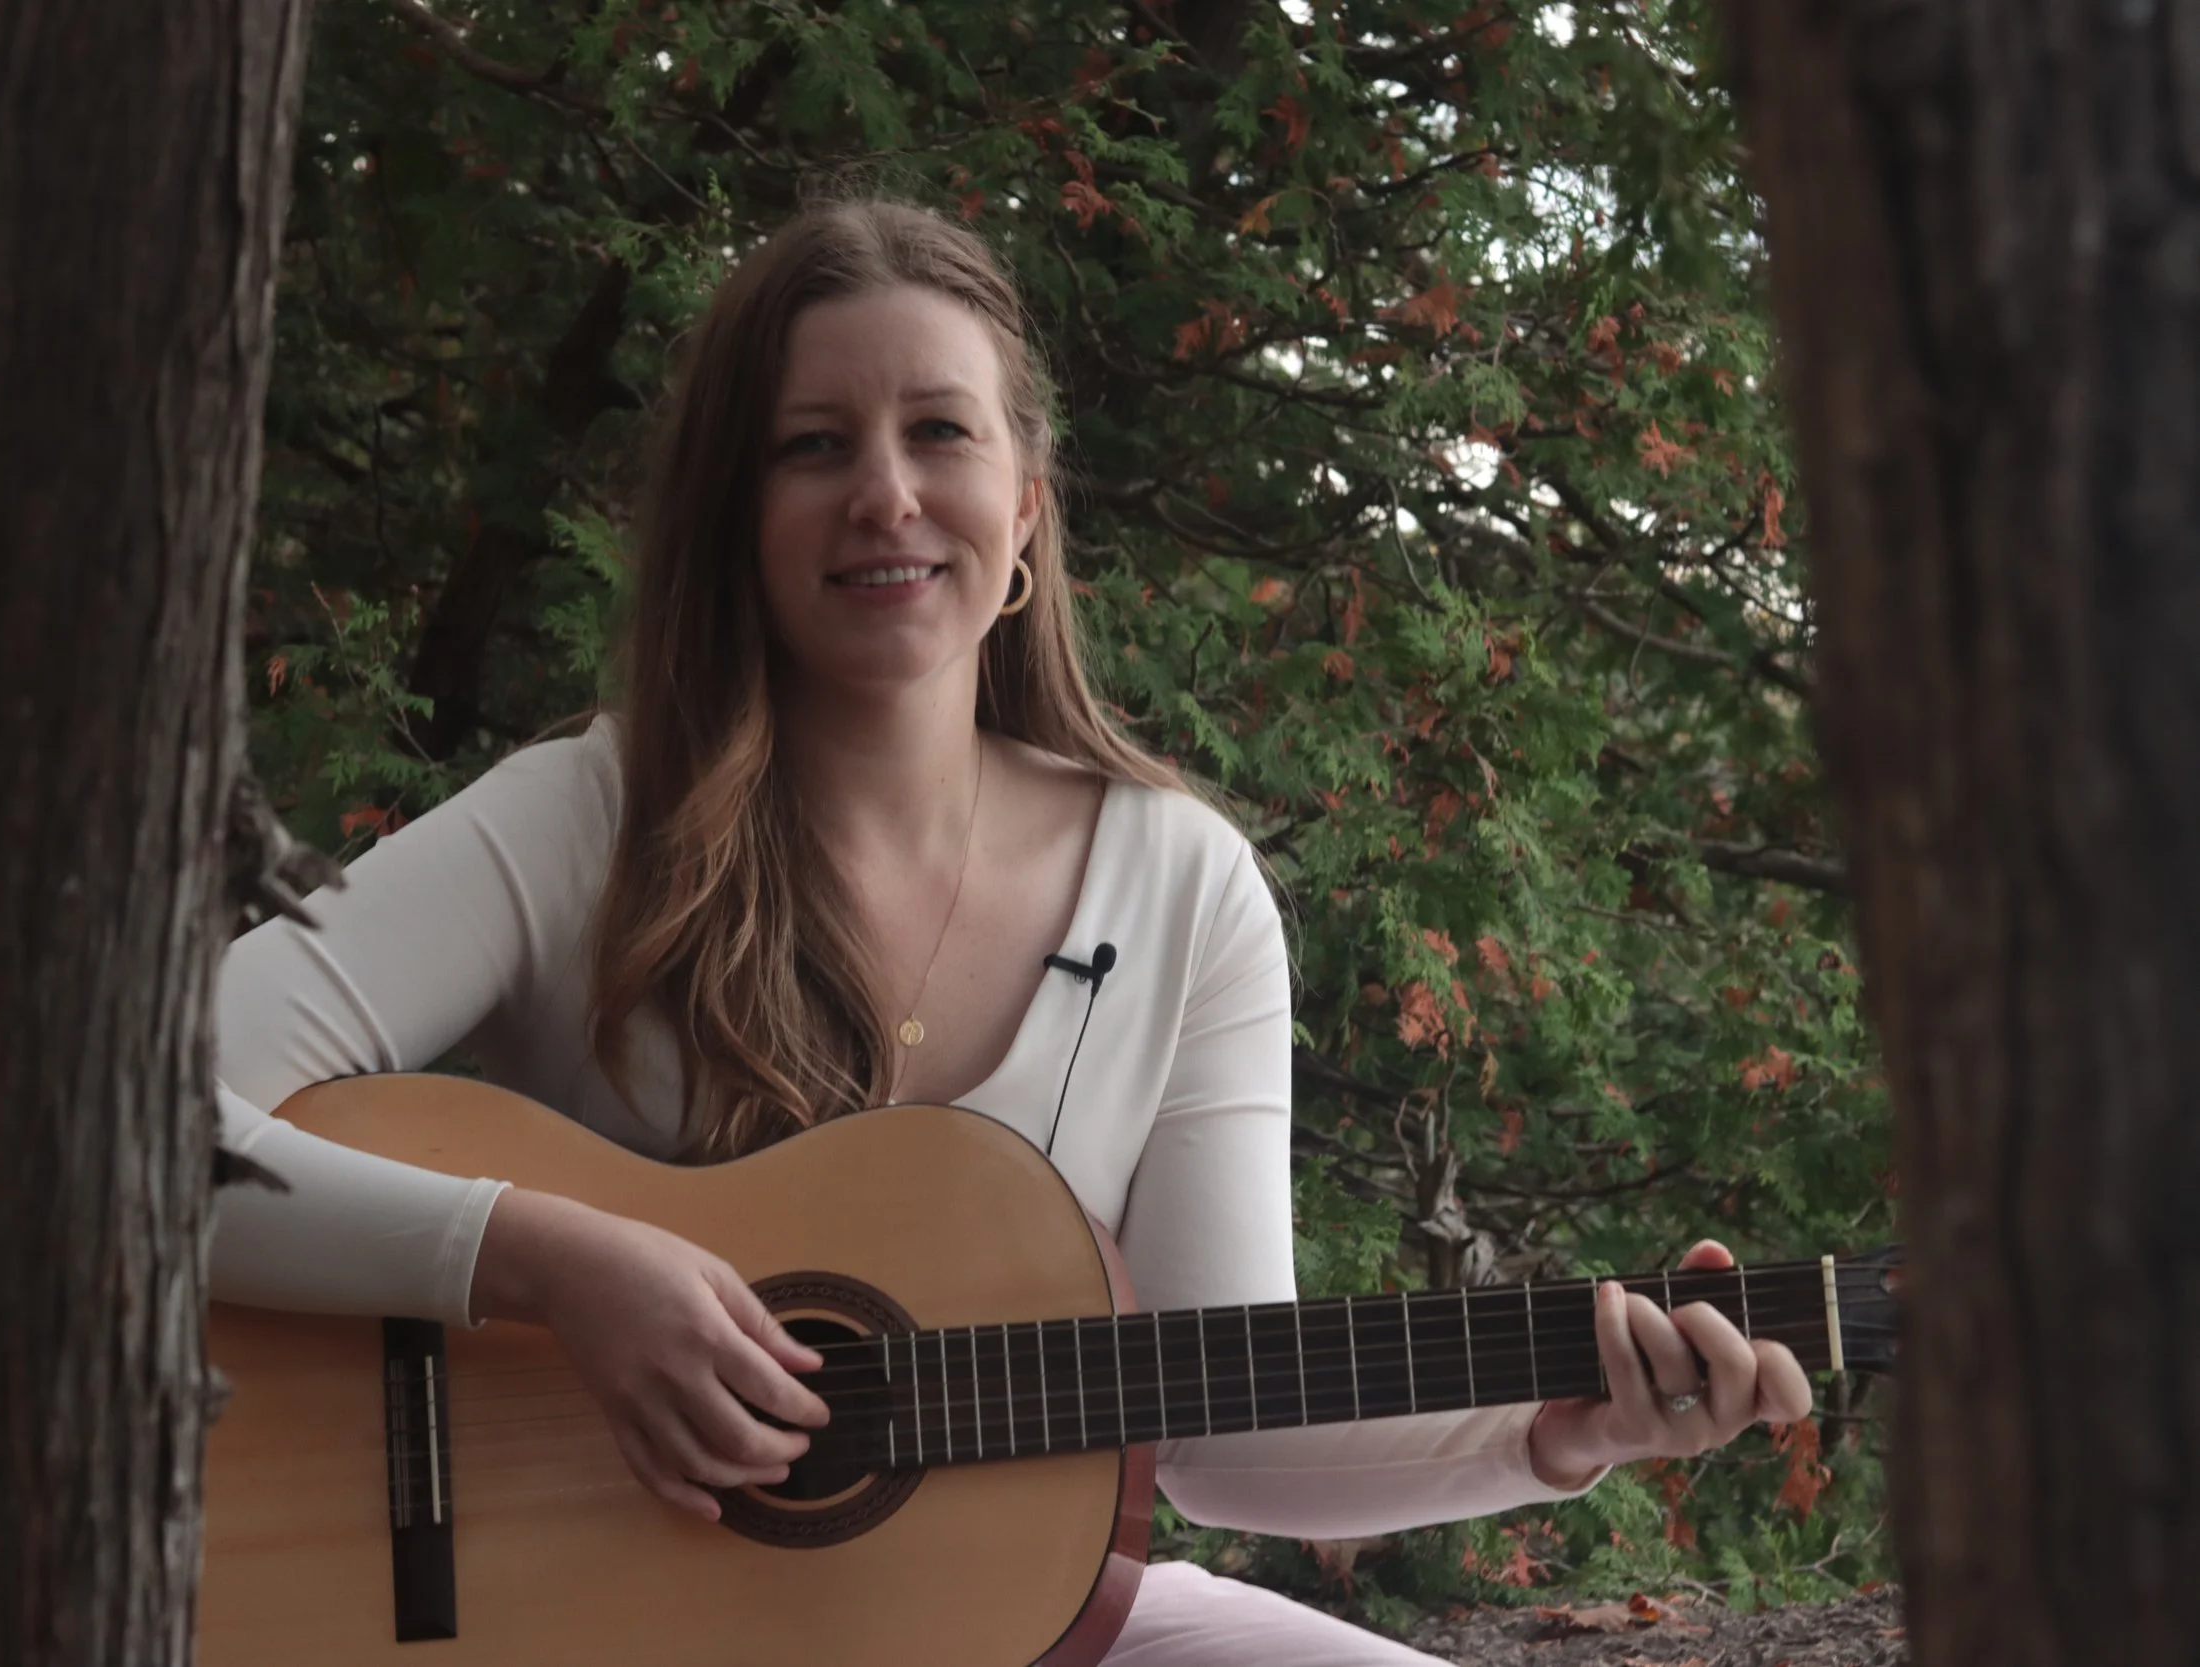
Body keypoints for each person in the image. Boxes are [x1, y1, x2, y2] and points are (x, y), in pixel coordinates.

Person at [209, 198, 1813, 1666]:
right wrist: (549, 1262)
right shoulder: (585, 816)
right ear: (738, 518)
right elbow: (138, 1128)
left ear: (1025, 512)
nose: (885, 495)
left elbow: (1213, 1426)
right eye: (813, 445)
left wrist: (1556, 1430)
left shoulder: (1179, 884)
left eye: (937, 434)